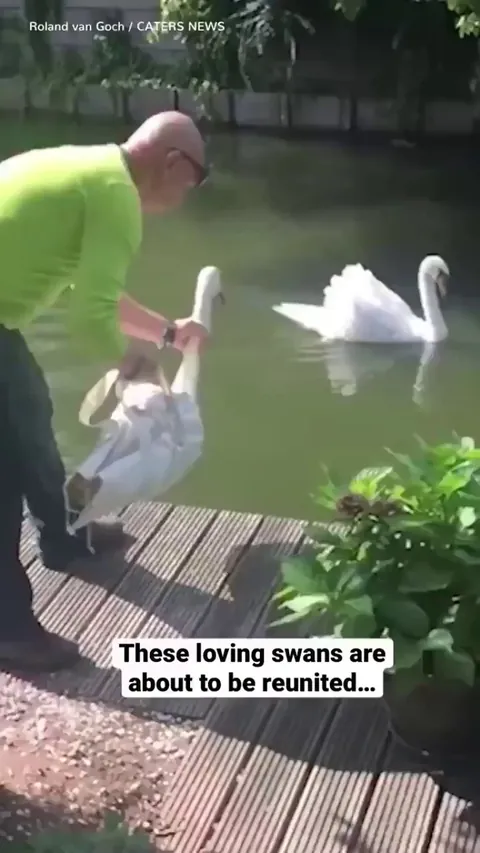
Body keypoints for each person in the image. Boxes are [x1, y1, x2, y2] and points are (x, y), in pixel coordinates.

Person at [0, 111, 209, 672]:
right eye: (192, 182)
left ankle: (65, 535)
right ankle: (9, 630)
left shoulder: (92, 172)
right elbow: (90, 319)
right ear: (172, 164)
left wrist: (167, 333)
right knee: (4, 467)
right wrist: (133, 367)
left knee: (29, 413)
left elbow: (92, 292)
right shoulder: (117, 198)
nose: (186, 198)